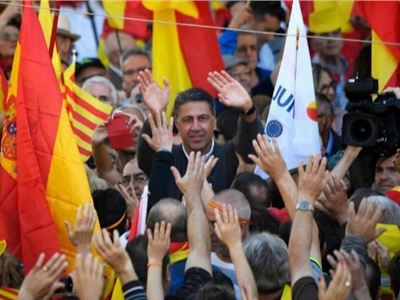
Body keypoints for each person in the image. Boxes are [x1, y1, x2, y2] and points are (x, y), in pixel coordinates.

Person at [137, 69, 263, 200]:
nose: (196, 127)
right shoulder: (167, 159)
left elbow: (250, 148)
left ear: (214, 121)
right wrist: (156, 113)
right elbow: (145, 160)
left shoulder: (228, 155)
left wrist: (248, 110)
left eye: (202, 118)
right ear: (177, 123)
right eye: (188, 120)